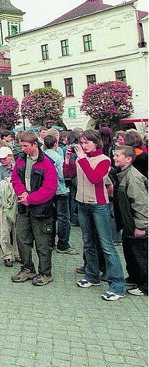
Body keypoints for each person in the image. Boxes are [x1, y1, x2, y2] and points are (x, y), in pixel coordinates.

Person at [74, 129, 126, 301]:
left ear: (96, 143)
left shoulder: (103, 160)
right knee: (88, 243)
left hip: (98, 205)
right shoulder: (83, 159)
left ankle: (117, 285)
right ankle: (92, 275)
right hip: (82, 204)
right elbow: (69, 175)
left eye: (86, 142)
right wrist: (69, 160)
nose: (83, 146)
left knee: (107, 245)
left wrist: (82, 159)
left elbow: (95, 178)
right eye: (81, 142)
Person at [10, 131, 58, 286]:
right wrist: (22, 193)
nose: (22, 148)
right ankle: (27, 268)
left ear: (34, 145)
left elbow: (50, 189)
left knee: (42, 241)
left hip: (41, 208)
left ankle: (45, 273)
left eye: (25, 146)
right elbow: (15, 178)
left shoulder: (47, 162)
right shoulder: (21, 159)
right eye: (21, 145)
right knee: (22, 238)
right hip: (25, 205)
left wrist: (29, 198)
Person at [110, 146, 148, 296]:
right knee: (130, 253)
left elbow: (141, 204)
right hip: (128, 224)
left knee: (141, 255)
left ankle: (145, 286)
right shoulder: (121, 174)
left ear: (128, 159)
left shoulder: (133, 177)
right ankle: (134, 278)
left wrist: (141, 226)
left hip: (136, 225)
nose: (114, 158)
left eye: (118, 155)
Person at [44, 134, 77, 255]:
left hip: (48, 191)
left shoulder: (42, 157)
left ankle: (50, 242)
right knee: (63, 218)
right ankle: (63, 244)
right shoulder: (58, 158)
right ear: (56, 144)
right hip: (60, 191)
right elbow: (63, 177)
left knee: (50, 218)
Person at [0, 146, 18, 267]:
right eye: (0, 159)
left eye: (4, 158)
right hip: (4, 203)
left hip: (18, 202)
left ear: (10, 156)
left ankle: (18, 253)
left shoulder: (18, 167)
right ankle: (7, 255)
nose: (2, 161)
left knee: (18, 230)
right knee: (4, 230)